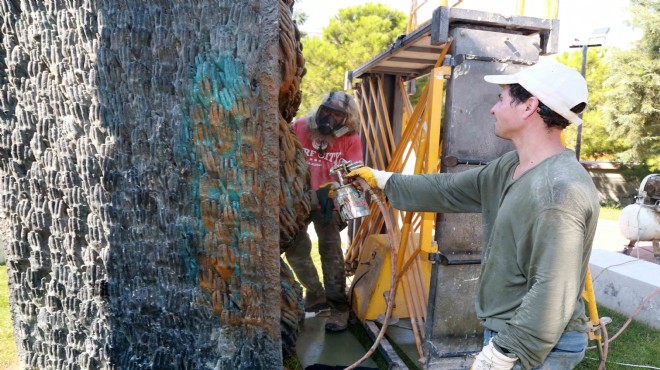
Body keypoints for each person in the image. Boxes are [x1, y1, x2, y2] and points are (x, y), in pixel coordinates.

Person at [347, 62, 600, 369]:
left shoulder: (559, 190)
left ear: (529, 106)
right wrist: (385, 180)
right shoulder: (512, 166)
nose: (493, 109)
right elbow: (449, 189)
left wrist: (504, 352)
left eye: (502, 98)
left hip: (538, 342)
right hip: (511, 331)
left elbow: (553, 288)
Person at [285, 91, 364, 331]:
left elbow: (354, 176)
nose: (329, 118)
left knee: (330, 253)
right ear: (318, 110)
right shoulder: (298, 128)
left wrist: (340, 190)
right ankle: (316, 294)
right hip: (300, 200)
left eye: (337, 114)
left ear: (347, 119)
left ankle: (339, 308)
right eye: (326, 111)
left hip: (329, 203)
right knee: (294, 249)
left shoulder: (350, 139)